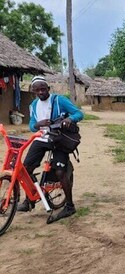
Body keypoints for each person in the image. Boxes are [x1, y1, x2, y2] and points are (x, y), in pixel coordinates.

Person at [18, 76, 84, 222]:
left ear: (48, 89)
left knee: (60, 172)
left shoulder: (59, 100)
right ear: (34, 91)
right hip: (41, 138)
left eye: (43, 89)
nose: (41, 92)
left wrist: (70, 119)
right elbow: (31, 125)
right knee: (26, 169)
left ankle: (69, 206)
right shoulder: (33, 105)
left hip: (58, 139)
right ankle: (30, 200)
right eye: (37, 90)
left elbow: (79, 113)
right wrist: (37, 124)